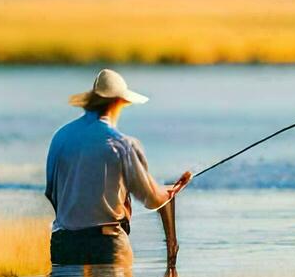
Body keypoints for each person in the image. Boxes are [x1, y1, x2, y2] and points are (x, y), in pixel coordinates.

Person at [45, 68, 191, 266]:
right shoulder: (122, 145)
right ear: (119, 102)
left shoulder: (59, 138)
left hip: (64, 245)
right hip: (107, 246)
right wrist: (171, 191)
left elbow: (51, 194)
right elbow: (152, 199)